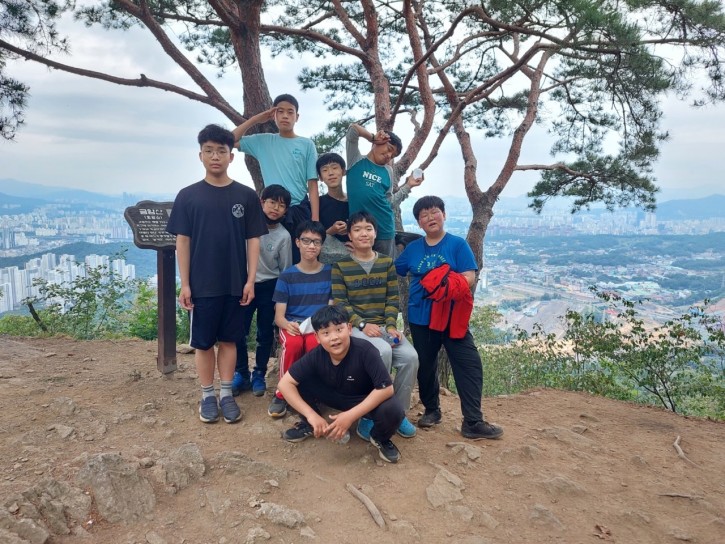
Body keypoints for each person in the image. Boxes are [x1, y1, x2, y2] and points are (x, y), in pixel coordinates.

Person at [166, 124, 268, 424]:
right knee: (202, 342)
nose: (215, 156)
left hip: (235, 283)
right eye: (208, 151)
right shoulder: (188, 196)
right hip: (201, 285)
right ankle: (207, 395)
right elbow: (182, 242)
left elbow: (253, 240)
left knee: (230, 340)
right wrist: (185, 284)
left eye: (221, 151)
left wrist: (250, 280)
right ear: (200, 155)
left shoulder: (246, 196)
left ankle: (226, 394)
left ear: (231, 156)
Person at [395, 195, 504, 440]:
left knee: (468, 364)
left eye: (434, 212)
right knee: (425, 365)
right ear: (419, 223)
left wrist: (443, 283)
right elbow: (396, 268)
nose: (430, 217)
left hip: (451, 317)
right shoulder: (413, 249)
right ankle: (432, 410)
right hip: (421, 317)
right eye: (424, 215)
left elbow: (469, 276)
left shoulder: (457, 245)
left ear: (443, 215)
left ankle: (473, 421)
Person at [278, 305, 405, 463]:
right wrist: (311, 415)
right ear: (317, 337)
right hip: (331, 395)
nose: (334, 337)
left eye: (339, 330)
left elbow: (386, 389)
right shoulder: (316, 355)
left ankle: (380, 437)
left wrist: (350, 416)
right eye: (326, 333)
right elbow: (285, 384)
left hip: (361, 398)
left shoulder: (366, 351)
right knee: (297, 381)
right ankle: (310, 424)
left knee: (393, 409)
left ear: (349, 329)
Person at [332, 211, 419, 439]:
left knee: (410, 358)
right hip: (356, 329)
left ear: (375, 233)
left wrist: (390, 326)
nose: (363, 233)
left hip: (383, 327)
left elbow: (392, 299)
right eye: (357, 229)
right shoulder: (341, 266)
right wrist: (362, 325)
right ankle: (369, 415)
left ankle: (397, 413)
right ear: (350, 235)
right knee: (382, 352)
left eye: (368, 228)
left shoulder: (386, 263)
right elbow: (341, 304)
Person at [233, 94, 319, 263]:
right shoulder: (263, 141)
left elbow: (312, 184)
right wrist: (256, 120)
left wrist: (315, 221)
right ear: (273, 115)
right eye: (280, 111)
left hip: (299, 211)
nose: (285, 116)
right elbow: (228, 140)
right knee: (269, 261)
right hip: (271, 213)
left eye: (290, 112)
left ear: (297, 117)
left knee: (301, 261)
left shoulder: (307, 144)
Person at [233, 184, 293, 397]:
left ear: (285, 211)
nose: (275, 208)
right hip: (243, 285)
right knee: (238, 331)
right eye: (272, 202)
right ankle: (241, 373)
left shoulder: (284, 236)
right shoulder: (246, 227)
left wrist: (282, 298)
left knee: (265, 333)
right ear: (262, 202)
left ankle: (259, 373)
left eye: (281, 205)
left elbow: (285, 270)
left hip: (270, 286)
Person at [268, 221, 332, 418]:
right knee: (293, 345)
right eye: (306, 240)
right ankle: (282, 393)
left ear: (322, 245)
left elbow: (330, 309)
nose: (311, 246)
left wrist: (319, 326)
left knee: (315, 345)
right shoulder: (287, 277)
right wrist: (288, 325)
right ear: (297, 242)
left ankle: (311, 393)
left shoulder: (330, 273)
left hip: (319, 326)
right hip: (292, 325)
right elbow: (279, 316)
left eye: (316, 242)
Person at [346, 123, 422, 257]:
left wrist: (408, 186)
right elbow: (353, 130)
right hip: (360, 230)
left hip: (384, 229)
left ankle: (400, 247)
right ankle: (400, 247)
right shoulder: (355, 160)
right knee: (362, 266)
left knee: (385, 267)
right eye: (389, 149)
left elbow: (389, 202)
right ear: (378, 143)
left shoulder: (388, 171)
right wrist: (372, 137)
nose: (389, 155)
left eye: (393, 156)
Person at [316, 152, 351, 264]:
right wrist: (332, 230)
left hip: (355, 261)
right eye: (325, 170)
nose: (330, 173)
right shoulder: (317, 204)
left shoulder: (355, 200)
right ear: (320, 177)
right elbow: (314, 236)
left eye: (334, 168)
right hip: (327, 263)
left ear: (343, 171)